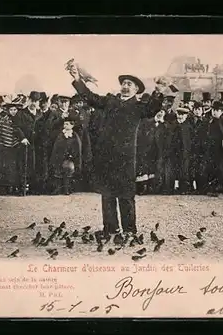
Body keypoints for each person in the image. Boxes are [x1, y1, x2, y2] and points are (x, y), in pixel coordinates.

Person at [68, 64, 164, 236]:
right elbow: (90, 97)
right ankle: (111, 228)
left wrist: (158, 90)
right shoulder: (110, 101)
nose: (125, 86)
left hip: (126, 157)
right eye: (124, 83)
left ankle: (129, 229)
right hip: (107, 155)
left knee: (126, 194)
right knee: (107, 194)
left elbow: (153, 109)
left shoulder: (138, 106)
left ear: (136, 90)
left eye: (130, 84)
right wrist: (77, 78)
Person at [0, 97, 25, 195]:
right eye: (11, 110)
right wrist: (2, 142)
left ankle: (13, 188)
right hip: (4, 149)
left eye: (15, 109)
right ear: (7, 111)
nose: (13, 111)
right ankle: (4, 189)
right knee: (4, 168)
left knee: (14, 169)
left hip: (15, 148)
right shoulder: (4, 120)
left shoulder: (19, 120)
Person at [49, 117, 82, 195]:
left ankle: (67, 189)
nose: (65, 126)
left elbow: (77, 147)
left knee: (68, 169)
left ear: (72, 126)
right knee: (57, 171)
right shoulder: (61, 134)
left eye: (67, 124)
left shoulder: (74, 136)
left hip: (69, 158)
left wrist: (71, 155)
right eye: (64, 124)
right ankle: (58, 189)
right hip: (59, 157)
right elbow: (56, 146)